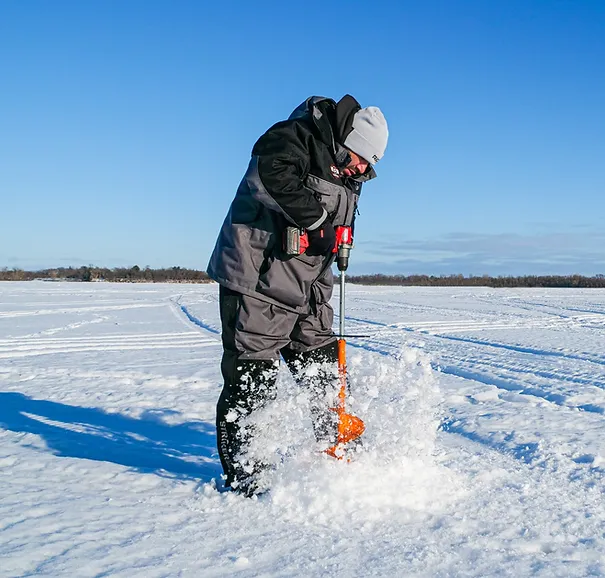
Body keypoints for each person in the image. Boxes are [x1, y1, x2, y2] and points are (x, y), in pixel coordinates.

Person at [207, 94, 388, 496]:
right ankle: (249, 479)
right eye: (361, 158)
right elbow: (271, 172)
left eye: (369, 165)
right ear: (348, 139)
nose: (363, 169)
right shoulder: (297, 137)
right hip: (259, 279)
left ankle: (338, 452)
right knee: (253, 381)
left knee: (323, 368)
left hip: (308, 288)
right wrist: (318, 220)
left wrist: (336, 240)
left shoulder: (350, 173)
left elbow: (328, 230)